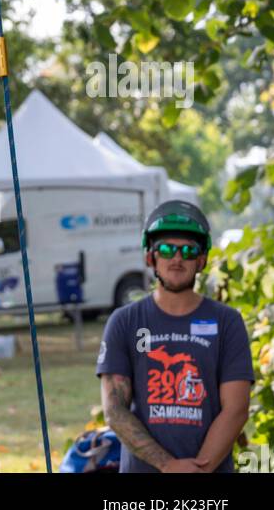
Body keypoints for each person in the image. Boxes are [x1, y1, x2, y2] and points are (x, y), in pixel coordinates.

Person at [97, 201, 253, 473]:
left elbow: (236, 409)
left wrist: (198, 471)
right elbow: (115, 410)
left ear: (201, 260)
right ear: (151, 258)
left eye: (189, 251)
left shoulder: (227, 322)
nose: (177, 259)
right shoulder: (124, 322)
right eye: (167, 249)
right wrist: (167, 465)